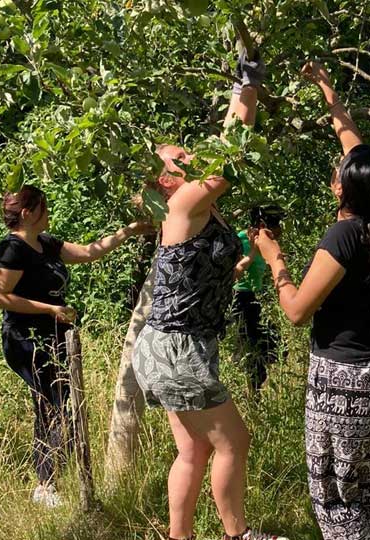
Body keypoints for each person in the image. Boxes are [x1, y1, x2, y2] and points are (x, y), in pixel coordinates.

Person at [130, 48, 286, 540]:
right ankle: (238, 536)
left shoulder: (195, 210)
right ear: (166, 180)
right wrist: (249, 83)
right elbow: (229, 159)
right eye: (180, 159)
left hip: (174, 343)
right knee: (234, 440)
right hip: (177, 348)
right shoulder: (180, 208)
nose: (190, 157)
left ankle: (179, 537)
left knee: (193, 450)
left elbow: (225, 149)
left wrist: (238, 264)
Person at [254, 61, 370, 540]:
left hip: (343, 378)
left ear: (343, 186)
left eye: (338, 171)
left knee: (333, 489)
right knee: (362, 479)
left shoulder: (342, 235)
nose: (336, 167)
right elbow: (353, 142)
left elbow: (298, 311)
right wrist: (325, 86)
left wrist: (273, 259)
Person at [0, 184, 151, 507]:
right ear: (28, 213)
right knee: (52, 407)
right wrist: (49, 309)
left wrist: (130, 230)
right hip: (25, 339)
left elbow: (90, 252)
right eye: (44, 208)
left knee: (61, 405)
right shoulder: (11, 250)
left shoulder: (46, 244)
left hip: (57, 337)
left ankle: (55, 479)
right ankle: (45, 485)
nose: (48, 213)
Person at [232, 204, 287, 394]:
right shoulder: (241, 239)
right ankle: (250, 393)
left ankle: (256, 391)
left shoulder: (268, 241)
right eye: (273, 224)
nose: (278, 229)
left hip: (258, 297)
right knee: (250, 349)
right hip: (240, 298)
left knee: (276, 345)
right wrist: (254, 250)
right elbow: (235, 272)